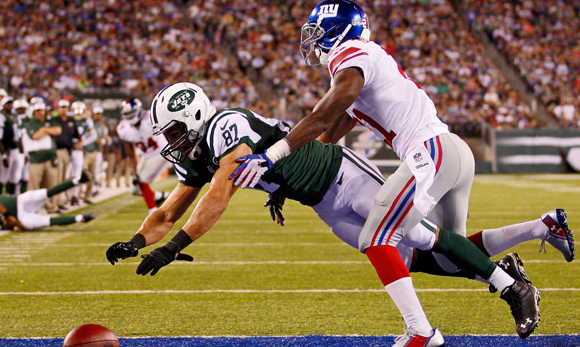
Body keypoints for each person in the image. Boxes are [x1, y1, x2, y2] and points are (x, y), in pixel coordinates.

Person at [106, 84, 572, 345]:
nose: (170, 141)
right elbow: (169, 209)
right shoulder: (201, 150)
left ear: (194, 118)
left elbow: (221, 190)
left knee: (421, 238)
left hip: (345, 176)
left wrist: (175, 247)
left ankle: (495, 292)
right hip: (322, 202)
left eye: (172, 130)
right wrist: (137, 241)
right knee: (412, 259)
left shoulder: (226, 124)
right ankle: (520, 247)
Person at [229, 0, 540, 343]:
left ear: (339, 31)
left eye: (318, 34)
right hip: (444, 151)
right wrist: (284, 182)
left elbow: (321, 117)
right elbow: (328, 135)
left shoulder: (349, 53)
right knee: (449, 258)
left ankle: (424, 331)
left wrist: (272, 155)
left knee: (376, 238)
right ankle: (525, 251)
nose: (314, 43)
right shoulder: (365, 64)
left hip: (429, 151)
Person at [0, 170, 95, 231]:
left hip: (16, 202)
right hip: (20, 217)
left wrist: (7, 216)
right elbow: (6, 226)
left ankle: (79, 180)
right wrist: (12, 224)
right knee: (44, 222)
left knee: (45, 193)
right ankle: (81, 218)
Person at [116, 98, 171, 213]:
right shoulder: (123, 128)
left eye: (131, 113)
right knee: (134, 189)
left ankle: (153, 212)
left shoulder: (152, 117)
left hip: (161, 153)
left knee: (142, 181)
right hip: (146, 156)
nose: (130, 117)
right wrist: (135, 171)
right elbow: (131, 153)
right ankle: (159, 196)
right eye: (127, 114)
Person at [22, 102, 61, 213]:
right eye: (38, 111)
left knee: (51, 185)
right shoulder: (30, 123)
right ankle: (32, 209)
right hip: (36, 159)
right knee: (33, 186)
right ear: (34, 112)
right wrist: (48, 131)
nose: (40, 113)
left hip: (50, 158)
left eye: (41, 110)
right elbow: (35, 136)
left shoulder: (49, 121)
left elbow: (58, 130)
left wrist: (44, 130)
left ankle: (52, 207)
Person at [52, 99, 80, 211]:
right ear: (58, 108)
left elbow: (77, 136)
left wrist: (77, 144)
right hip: (57, 151)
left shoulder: (71, 121)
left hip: (67, 152)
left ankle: (62, 200)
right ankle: (57, 202)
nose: (63, 109)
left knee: (64, 177)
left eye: (65, 107)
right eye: (61, 107)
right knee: (57, 178)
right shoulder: (54, 121)